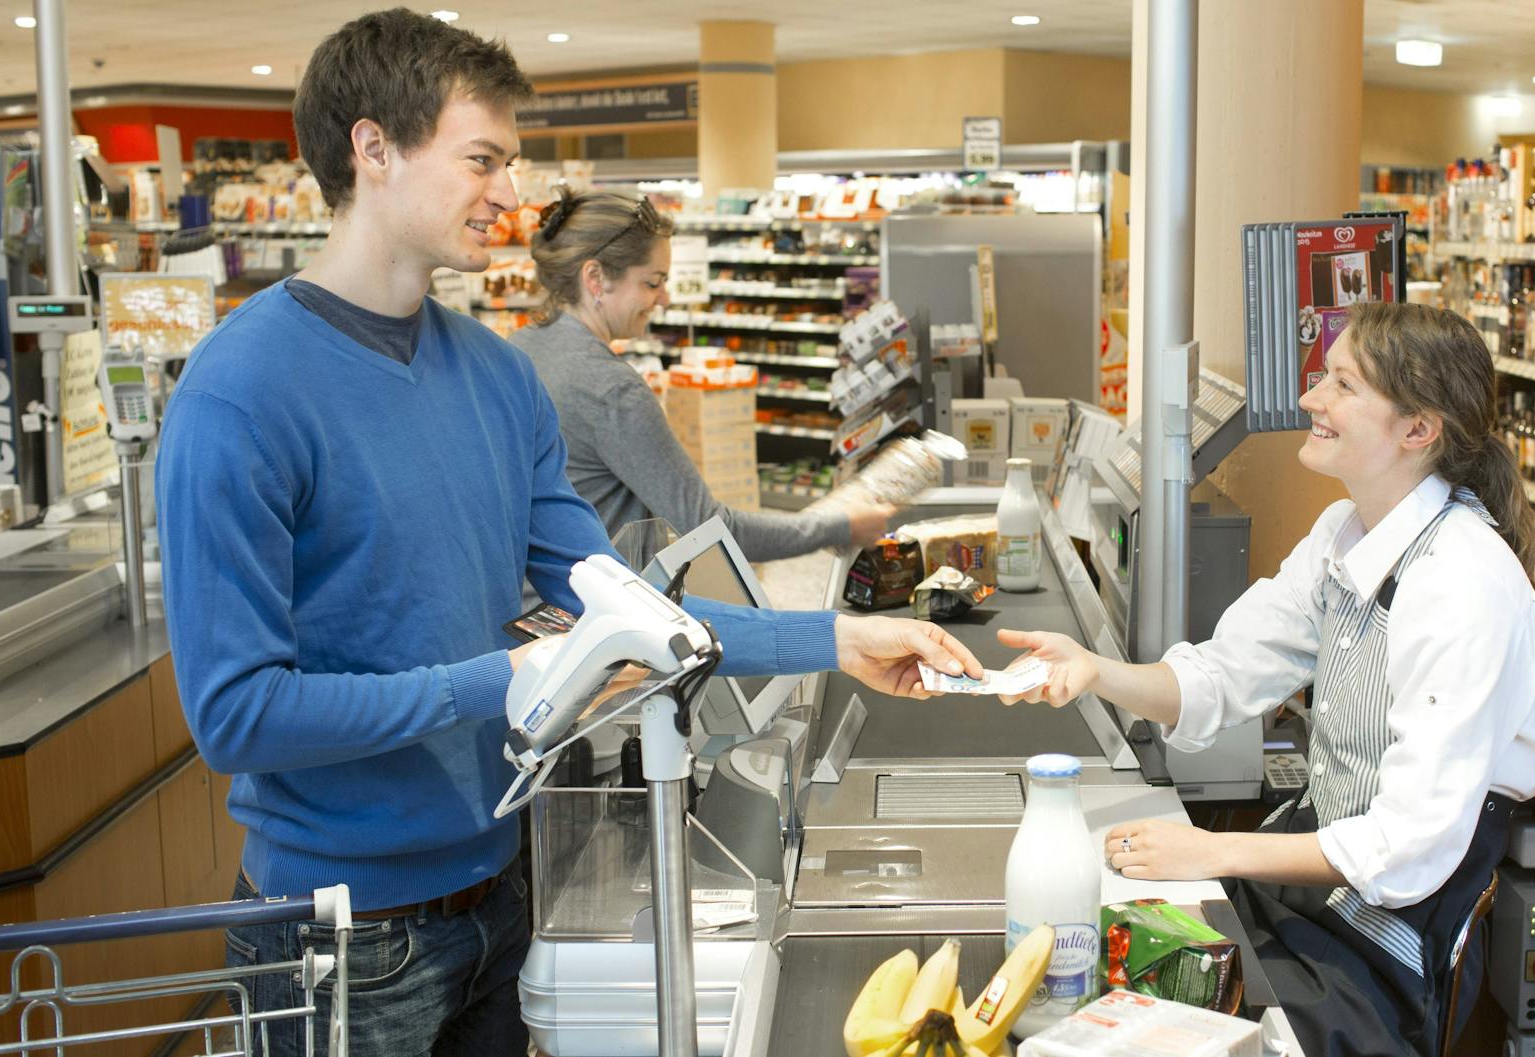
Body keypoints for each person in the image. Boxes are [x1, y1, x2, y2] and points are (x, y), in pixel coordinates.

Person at [154, 10, 980, 1055]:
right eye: (481, 159)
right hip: (339, 941)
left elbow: (627, 607)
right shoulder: (241, 391)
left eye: (511, 160)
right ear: (373, 149)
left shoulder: (496, 377)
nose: (509, 193)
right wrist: (501, 678)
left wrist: (836, 641)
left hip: (501, 902)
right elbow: (235, 714)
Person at [996, 302, 1535, 1057]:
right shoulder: (1342, 534)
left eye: (1343, 385)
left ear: (1418, 429)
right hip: (1303, 901)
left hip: (1378, 962)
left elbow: (1405, 844)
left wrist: (1211, 852)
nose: (1311, 399)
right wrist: (1094, 671)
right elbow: (1225, 675)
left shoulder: (1464, 582)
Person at [510, 186, 894, 559]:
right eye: (653, 282)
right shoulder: (612, 390)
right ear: (595, 278)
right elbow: (711, 529)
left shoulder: (515, 352)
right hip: (595, 611)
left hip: (532, 602)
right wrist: (839, 526)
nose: (665, 298)